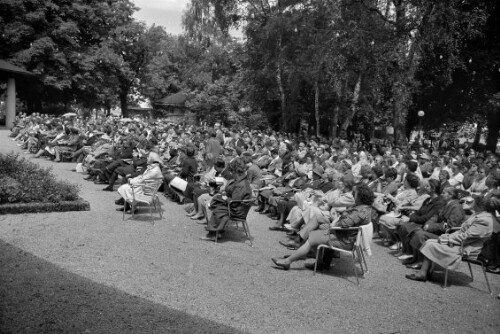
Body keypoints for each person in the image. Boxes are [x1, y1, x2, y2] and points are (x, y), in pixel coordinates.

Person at [271, 184, 374, 271]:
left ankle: (288, 261)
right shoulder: (364, 209)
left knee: (312, 235)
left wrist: (335, 218)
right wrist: (338, 217)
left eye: (354, 194)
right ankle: (303, 245)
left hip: (342, 239)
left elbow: (344, 224)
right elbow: (347, 221)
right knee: (317, 218)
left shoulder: (360, 211)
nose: (353, 196)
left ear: (360, 197)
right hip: (343, 235)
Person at [406, 194, 496, 282]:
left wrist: (447, 239)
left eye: (472, 201)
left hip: (466, 248)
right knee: (430, 241)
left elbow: (466, 237)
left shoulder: (484, 220)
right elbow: (462, 232)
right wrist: (447, 236)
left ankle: (423, 273)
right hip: (462, 243)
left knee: (430, 244)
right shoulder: (479, 215)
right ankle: (425, 271)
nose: (470, 202)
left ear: (478, 205)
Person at [200, 157, 252, 241]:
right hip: (237, 207)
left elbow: (234, 202)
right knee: (216, 201)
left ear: (237, 172)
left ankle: (214, 234)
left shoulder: (241, 184)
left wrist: (225, 198)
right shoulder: (241, 181)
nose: (232, 174)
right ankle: (217, 231)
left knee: (217, 208)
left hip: (237, 210)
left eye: (233, 172)